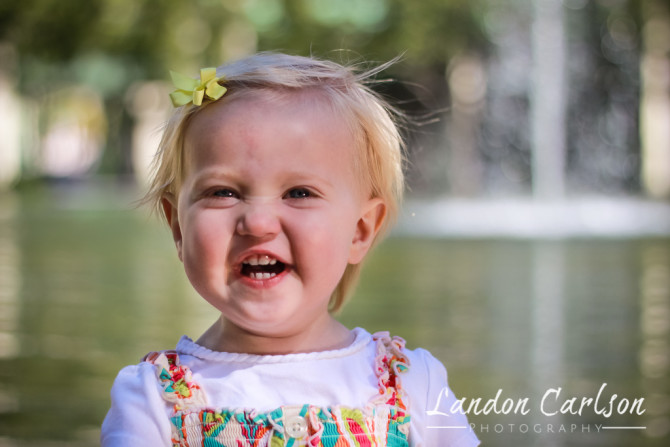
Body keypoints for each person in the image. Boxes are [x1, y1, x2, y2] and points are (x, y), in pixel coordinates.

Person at [101, 52, 479, 447]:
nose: (258, 223)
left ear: (360, 230)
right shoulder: (152, 400)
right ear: (178, 227)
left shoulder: (412, 384)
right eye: (223, 193)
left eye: (299, 193)